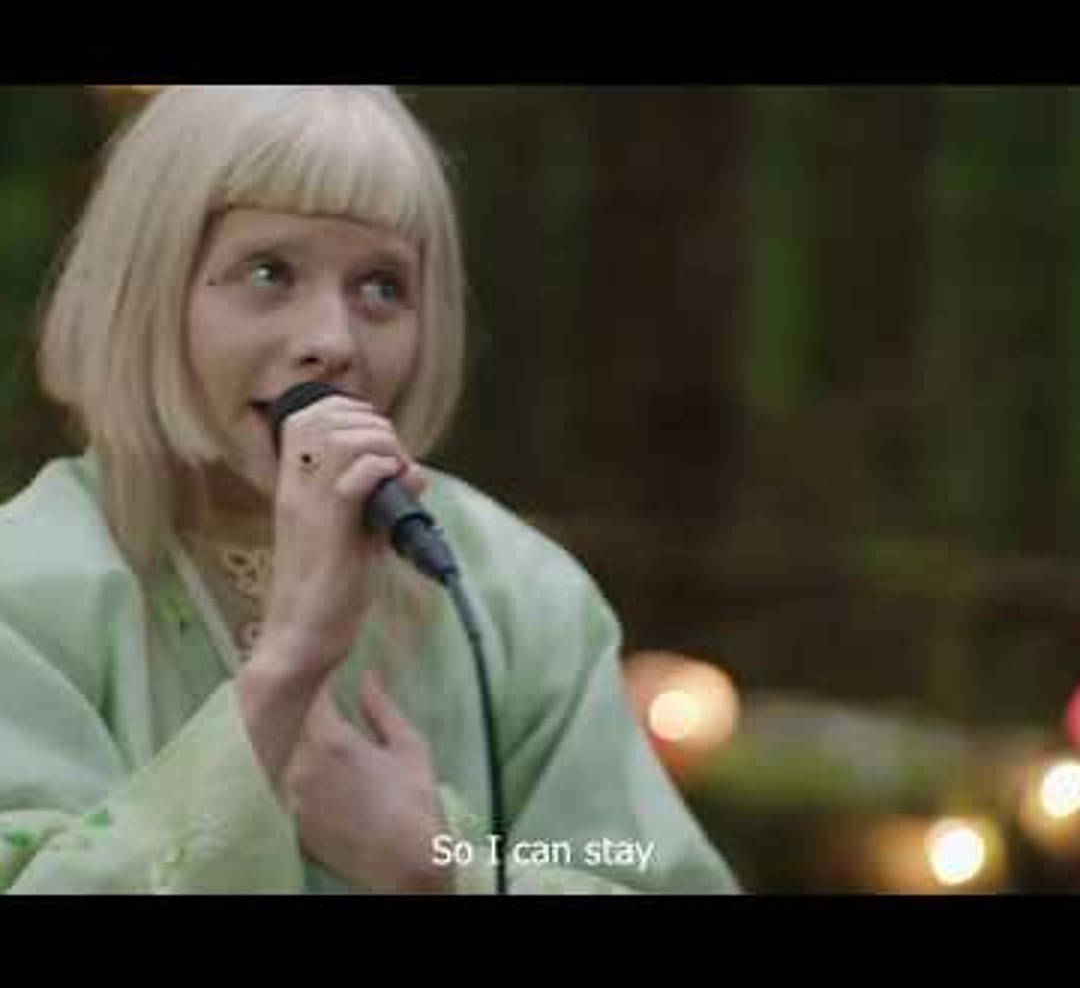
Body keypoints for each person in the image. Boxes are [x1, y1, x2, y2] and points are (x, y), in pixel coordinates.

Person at [0, 85, 740, 895]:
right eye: (269, 272)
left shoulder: (518, 592)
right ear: (148, 294)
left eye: (382, 287)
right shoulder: (24, 588)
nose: (333, 341)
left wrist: (435, 864)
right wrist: (285, 669)